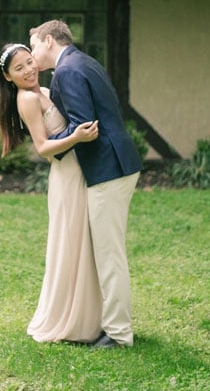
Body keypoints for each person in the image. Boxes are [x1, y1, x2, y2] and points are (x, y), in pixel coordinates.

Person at [29, 20, 144, 348]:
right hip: (116, 163)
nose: (34, 53)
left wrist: (51, 147)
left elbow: (84, 125)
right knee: (107, 252)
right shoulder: (83, 61)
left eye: (35, 45)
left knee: (109, 254)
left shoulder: (67, 71)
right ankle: (107, 324)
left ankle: (119, 334)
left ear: (49, 40)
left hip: (109, 168)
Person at [0, 43, 103, 345]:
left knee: (85, 243)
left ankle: (91, 314)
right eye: (19, 68)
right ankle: (70, 320)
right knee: (71, 244)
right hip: (66, 176)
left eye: (30, 62)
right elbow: (43, 148)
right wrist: (76, 137)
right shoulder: (27, 99)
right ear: (8, 77)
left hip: (79, 170)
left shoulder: (43, 90)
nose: (29, 70)